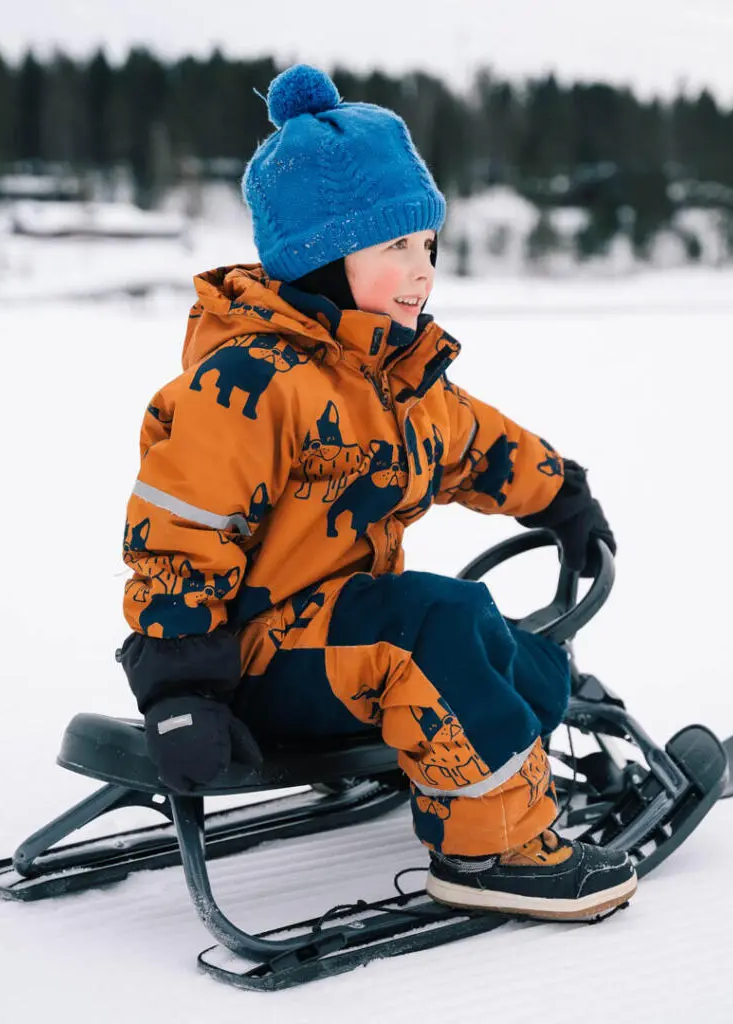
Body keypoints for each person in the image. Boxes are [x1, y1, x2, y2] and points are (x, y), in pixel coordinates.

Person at [118, 64, 636, 921]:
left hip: (345, 631)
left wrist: (560, 495)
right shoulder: (246, 384)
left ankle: (523, 751)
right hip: (253, 661)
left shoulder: (396, 378)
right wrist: (179, 692)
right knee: (434, 625)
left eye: (427, 245)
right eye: (393, 246)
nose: (421, 270)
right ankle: (490, 848)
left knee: (484, 631)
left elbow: (477, 444)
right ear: (322, 255)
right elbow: (180, 534)